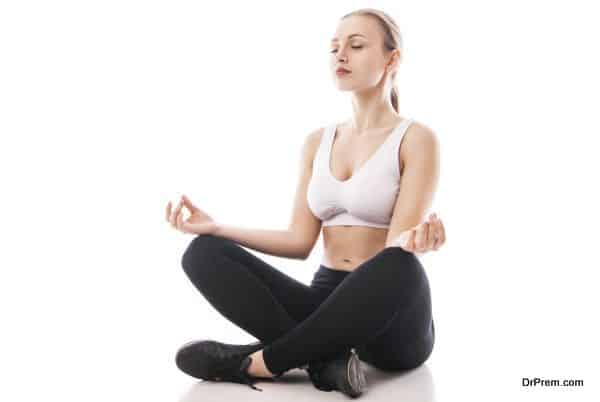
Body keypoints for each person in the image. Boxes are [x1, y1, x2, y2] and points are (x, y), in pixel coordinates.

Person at [165, 7, 446, 398]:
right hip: (325, 300)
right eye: (334, 48)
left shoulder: (416, 140)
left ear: (392, 59)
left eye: (357, 45)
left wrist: (418, 243)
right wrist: (217, 228)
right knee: (202, 254)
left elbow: (396, 247)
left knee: (400, 262)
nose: (341, 55)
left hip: (391, 320)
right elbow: (299, 242)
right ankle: (325, 361)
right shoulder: (317, 142)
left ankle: (258, 362)